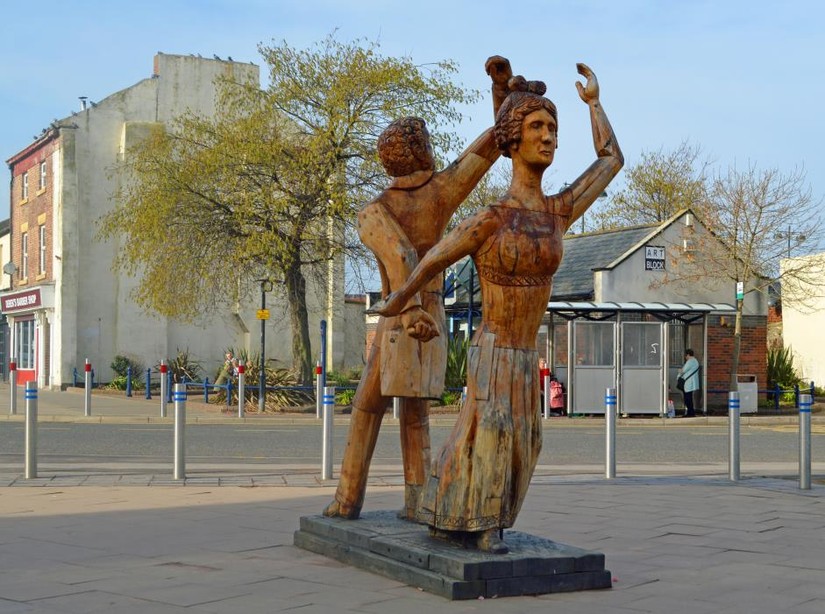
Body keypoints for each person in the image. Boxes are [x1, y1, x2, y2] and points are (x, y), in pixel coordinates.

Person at [372, 63, 623, 553]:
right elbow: (432, 260)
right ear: (512, 141)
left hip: (528, 355)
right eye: (537, 128)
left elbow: (611, 159)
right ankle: (480, 524)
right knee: (490, 433)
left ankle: (453, 512)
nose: (549, 138)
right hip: (493, 349)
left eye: (552, 128)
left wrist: (594, 105)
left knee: (526, 443)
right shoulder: (490, 219)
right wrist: (399, 302)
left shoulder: (558, 211)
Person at [322, 56, 518, 521]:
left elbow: (399, 259)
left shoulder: (373, 211)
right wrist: (502, 96)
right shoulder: (442, 191)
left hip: (400, 311)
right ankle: (414, 500)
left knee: (370, 408)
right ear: (418, 151)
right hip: (422, 311)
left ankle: (353, 498)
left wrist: (502, 94)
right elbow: (491, 146)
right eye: (426, 140)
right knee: (411, 411)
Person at [678, 349, 701, 417]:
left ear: (688, 354)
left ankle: (690, 413)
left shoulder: (690, 361)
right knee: (689, 398)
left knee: (687, 398)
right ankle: (691, 412)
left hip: (688, 383)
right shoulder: (695, 361)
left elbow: (683, 370)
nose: (685, 357)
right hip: (690, 382)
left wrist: (679, 371)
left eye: (685, 355)